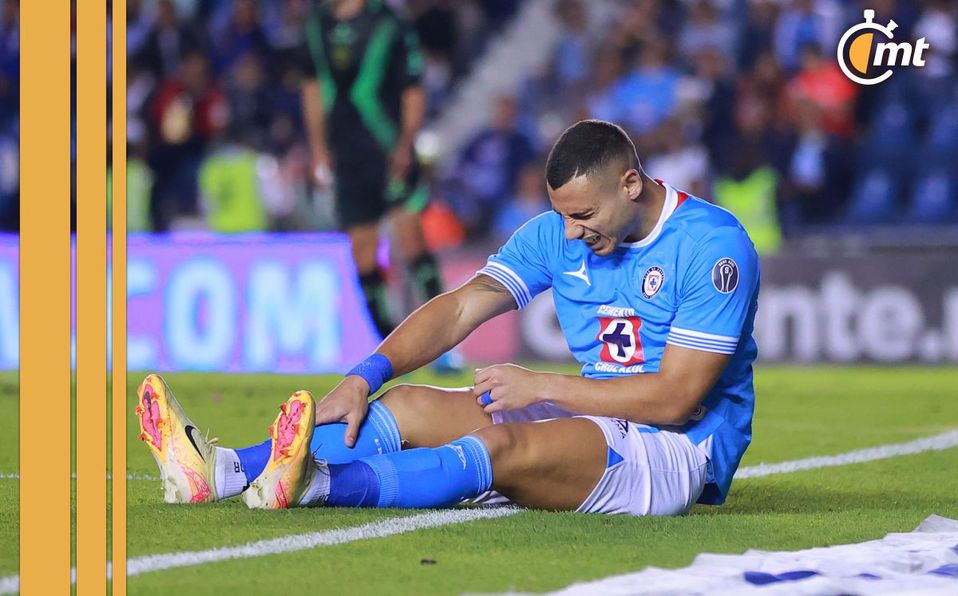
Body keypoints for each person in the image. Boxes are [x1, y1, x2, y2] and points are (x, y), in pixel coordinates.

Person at [136, 120, 760, 516]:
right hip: (594, 410)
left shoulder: (711, 248)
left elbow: (677, 399)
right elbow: (461, 306)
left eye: (584, 216)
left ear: (630, 184)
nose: (571, 232)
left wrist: (540, 385)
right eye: (562, 216)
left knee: (500, 444)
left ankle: (317, 486)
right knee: (404, 405)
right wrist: (364, 374)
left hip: (678, 450)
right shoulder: (556, 234)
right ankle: (217, 472)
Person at [299, 0, 445, 344]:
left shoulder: (390, 24)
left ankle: (443, 342)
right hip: (346, 155)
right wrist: (318, 147)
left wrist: (406, 143)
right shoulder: (316, 25)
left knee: (411, 237)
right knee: (362, 250)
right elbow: (312, 88)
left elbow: (412, 89)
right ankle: (388, 346)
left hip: (389, 148)